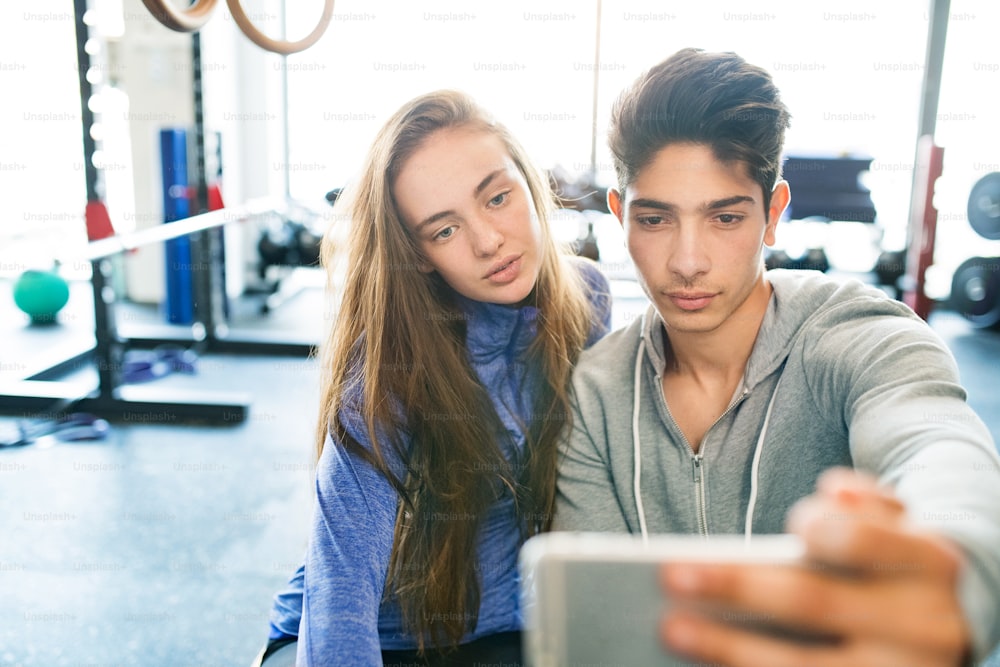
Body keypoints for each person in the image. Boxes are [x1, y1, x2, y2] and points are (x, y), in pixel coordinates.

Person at [554, 47, 1000, 666]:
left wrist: (956, 566)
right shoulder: (594, 393)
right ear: (618, 214)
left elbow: (937, 447)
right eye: (655, 219)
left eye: (725, 217)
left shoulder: (859, 336)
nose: (687, 261)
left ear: (773, 214)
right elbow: (603, 628)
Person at [258, 90, 611, 666]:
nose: (488, 241)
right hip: (386, 634)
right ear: (419, 254)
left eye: (498, 198)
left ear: (529, 181)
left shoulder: (587, 298)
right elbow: (339, 600)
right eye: (444, 231)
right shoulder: (389, 374)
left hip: (512, 622)